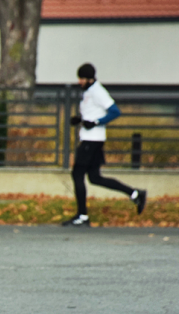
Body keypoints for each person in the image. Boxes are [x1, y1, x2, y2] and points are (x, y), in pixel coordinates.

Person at [63, 63, 146, 227]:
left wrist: (96, 123)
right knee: (94, 178)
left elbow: (115, 111)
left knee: (77, 174)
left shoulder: (98, 91)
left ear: (89, 78)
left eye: (81, 78)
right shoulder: (89, 92)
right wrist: (80, 120)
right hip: (91, 139)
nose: (79, 81)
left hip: (91, 141)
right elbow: (91, 115)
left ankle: (82, 216)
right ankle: (135, 194)